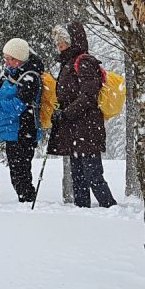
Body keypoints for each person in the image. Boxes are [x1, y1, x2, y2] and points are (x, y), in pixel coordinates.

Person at [48, 22, 117, 208]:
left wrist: (66, 113)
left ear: (73, 42)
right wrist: (60, 111)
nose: (59, 47)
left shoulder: (84, 62)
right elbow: (66, 95)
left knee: (92, 174)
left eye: (63, 43)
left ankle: (110, 208)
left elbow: (89, 96)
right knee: (78, 174)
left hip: (87, 127)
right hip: (75, 127)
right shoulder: (68, 64)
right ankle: (82, 210)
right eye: (57, 44)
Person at [0, 38, 42, 203]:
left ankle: (28, 203)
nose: (6, 62)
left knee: (21, 174)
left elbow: (17, 107)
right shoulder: (10, 74)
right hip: (11, 131)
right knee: (16, 173)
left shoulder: (30, 78)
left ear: (19, 58)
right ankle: (25, 202)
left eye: (10, 58)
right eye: (5, 58)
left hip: (24, 131)